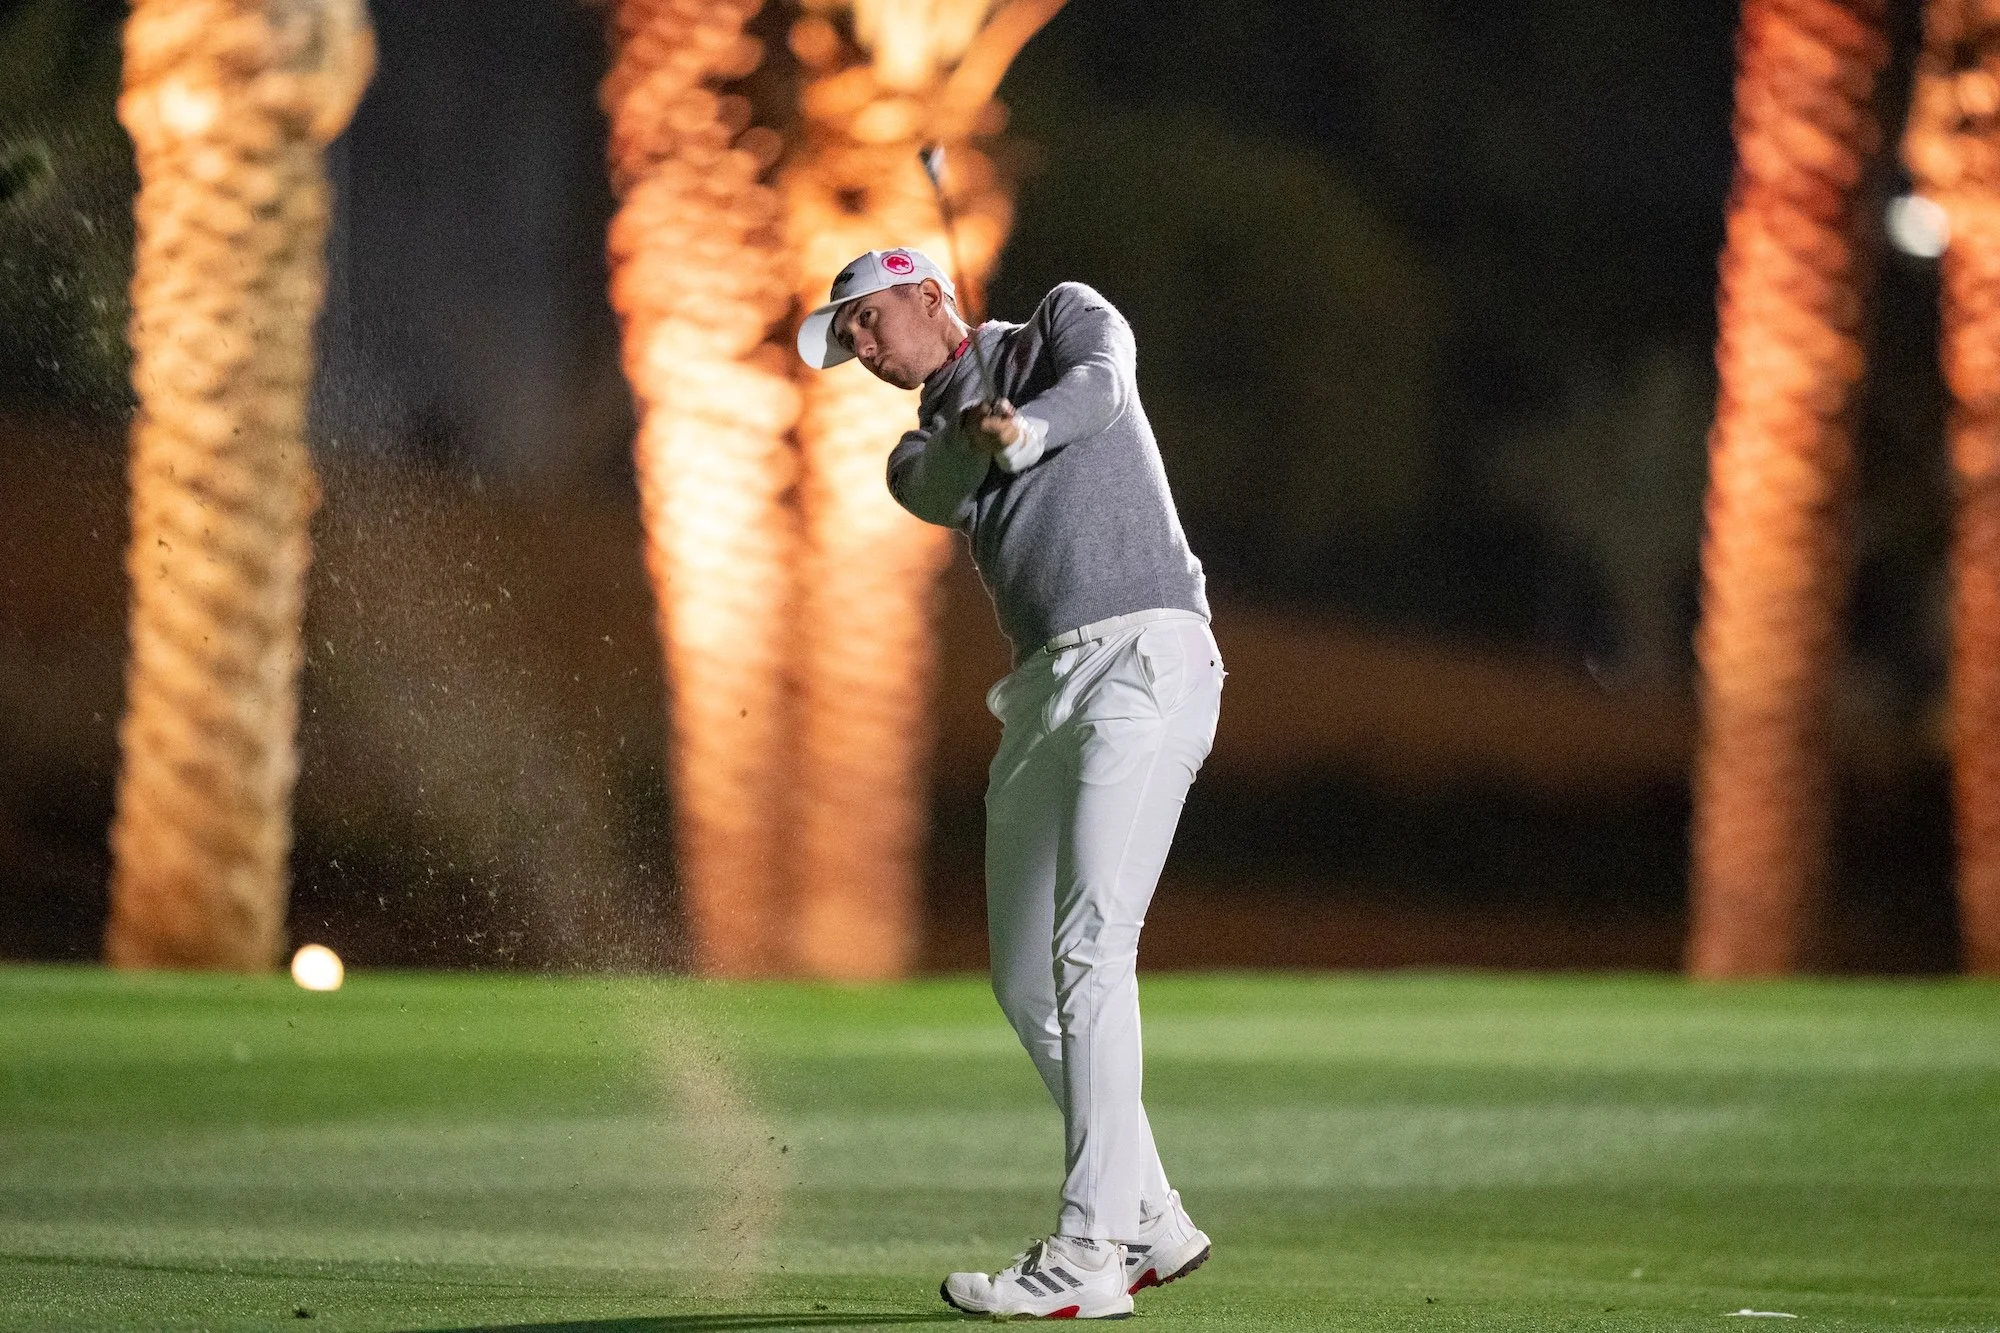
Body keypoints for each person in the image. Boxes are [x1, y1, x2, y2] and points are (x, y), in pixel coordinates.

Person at [798, 248, 1222, 1321]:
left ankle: (1088, 1252)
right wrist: (973, 439)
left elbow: (1103, 387)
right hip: (1042, 693)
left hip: (1144, 655)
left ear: (930, 297)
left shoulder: (1061, 320)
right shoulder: (910, 454)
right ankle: (1152, 1217)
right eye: (843, 336)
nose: (857, 344)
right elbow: (939, 484)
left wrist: (1023, 426)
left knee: (1088, 947)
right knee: (1023, 978)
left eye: (865, 318)